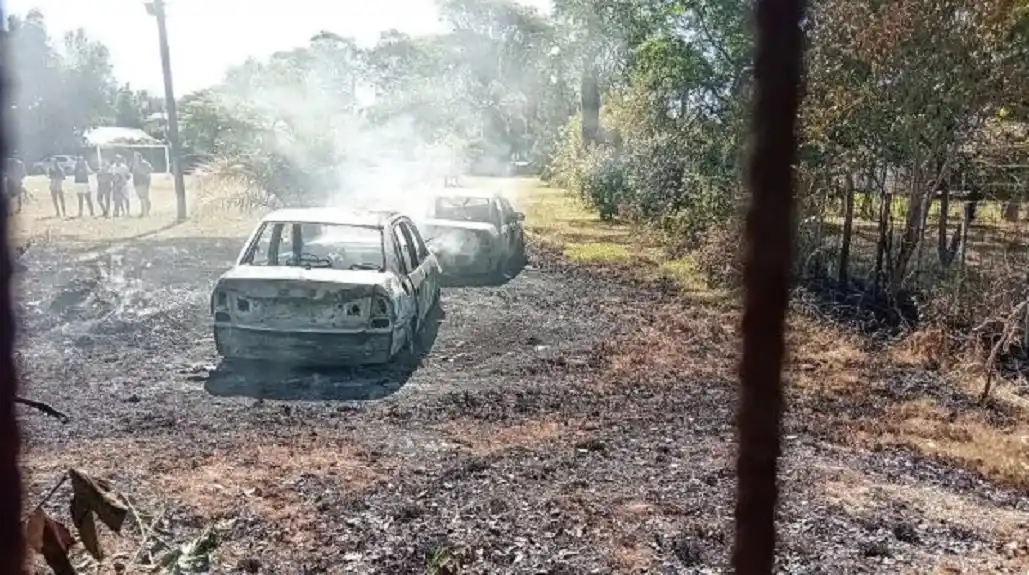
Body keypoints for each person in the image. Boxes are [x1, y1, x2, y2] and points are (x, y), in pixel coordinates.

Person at [131, 153, 154, 217]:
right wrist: (134, 183)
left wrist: (144, 173)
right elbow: (134, 174)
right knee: (141, 198)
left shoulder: (145, 163)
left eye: (136, 157)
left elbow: (151, 169)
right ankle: (143, 211)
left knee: (144, 198)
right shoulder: (135, 164)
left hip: (144, 183)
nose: (135, 158)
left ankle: (145, 212)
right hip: (137, 183)